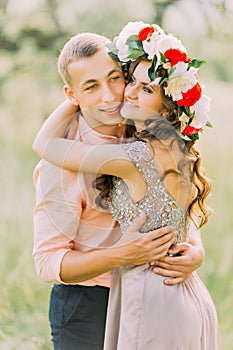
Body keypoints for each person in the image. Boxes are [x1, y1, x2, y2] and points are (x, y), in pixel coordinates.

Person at [33, 29, 207, 350]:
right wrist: (123, 255)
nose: (111, 96)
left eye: (115, 78)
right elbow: (48, 263)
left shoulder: (143, 135)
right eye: (91, 86)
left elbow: (172, 208)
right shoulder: (61, 160)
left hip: (152, 293)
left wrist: (194, 249)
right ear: (71, 95)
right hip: (88, 305)